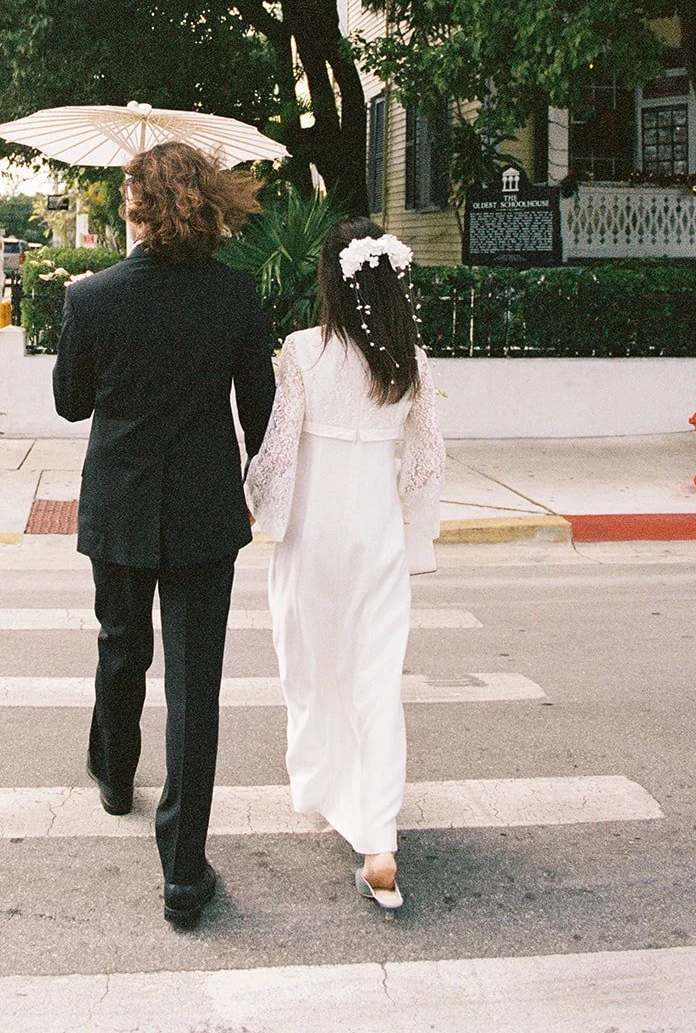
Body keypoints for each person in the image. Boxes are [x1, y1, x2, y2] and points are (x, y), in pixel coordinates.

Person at [53, 142, 276, 930]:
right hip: (204, 511)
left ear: (138, 208)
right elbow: (261, 413)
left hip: (118, 503)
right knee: (194, 685)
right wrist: (259, 495)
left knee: (120, 644)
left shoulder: (92, 298)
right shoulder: (236, 296)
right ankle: (184, 871)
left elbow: (70, 405)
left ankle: (116, 775)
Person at [245, 218, 445, 914]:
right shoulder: (408, 359)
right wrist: (410, 525)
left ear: (332, 279)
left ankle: (327, 789)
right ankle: (377, 837)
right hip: (376, 531)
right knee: (374, 677)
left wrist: (254, 504)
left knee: (310, 663)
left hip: (313, 530)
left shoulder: (302, 350)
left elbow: (276, 450)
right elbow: (426, 461)